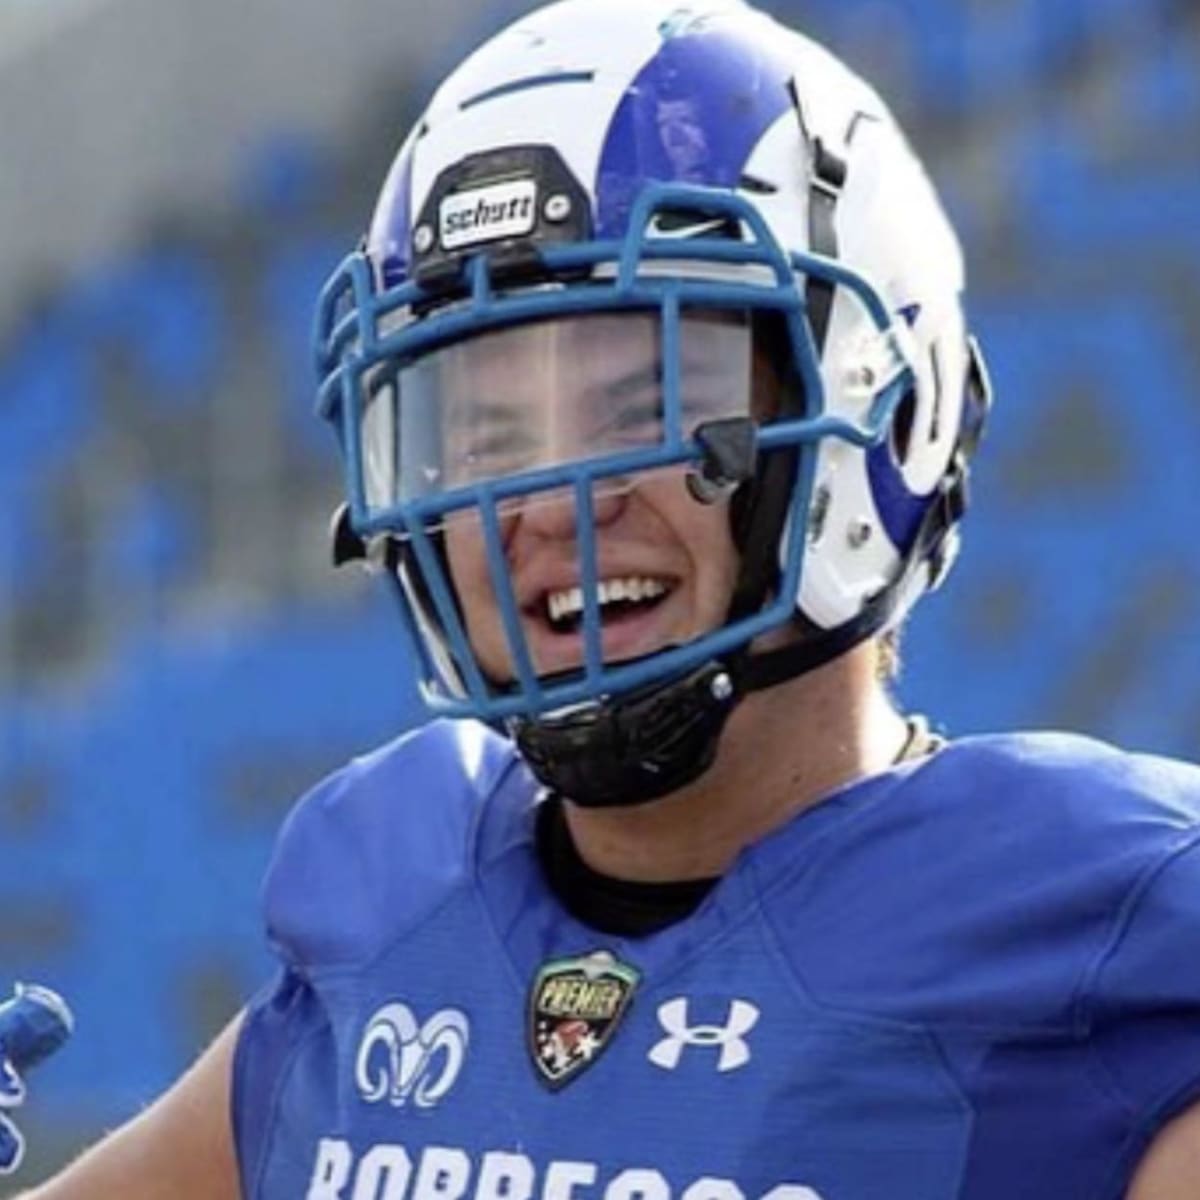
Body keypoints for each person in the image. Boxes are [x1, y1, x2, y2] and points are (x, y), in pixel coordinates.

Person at [17, 1, 1200, 1196]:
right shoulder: (386, 906)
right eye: (481, 436)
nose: (542, 502)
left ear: (882, 415)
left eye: (641, 406)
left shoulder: (1094, 944)